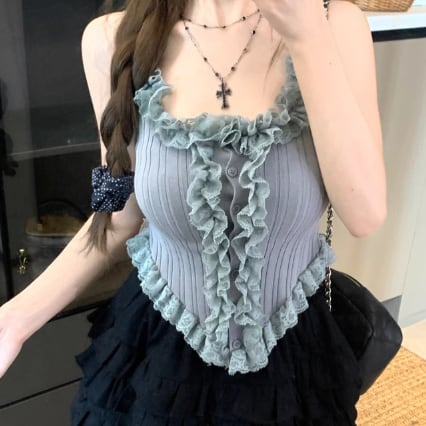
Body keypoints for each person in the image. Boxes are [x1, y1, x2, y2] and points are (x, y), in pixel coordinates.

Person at [0, 0, 387, 424]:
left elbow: (365, 214)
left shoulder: (337, 25)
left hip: (295, 368)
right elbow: (114, 218)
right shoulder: (108, 39)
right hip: (157, 365)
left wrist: (308, 37)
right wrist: (13, 321)